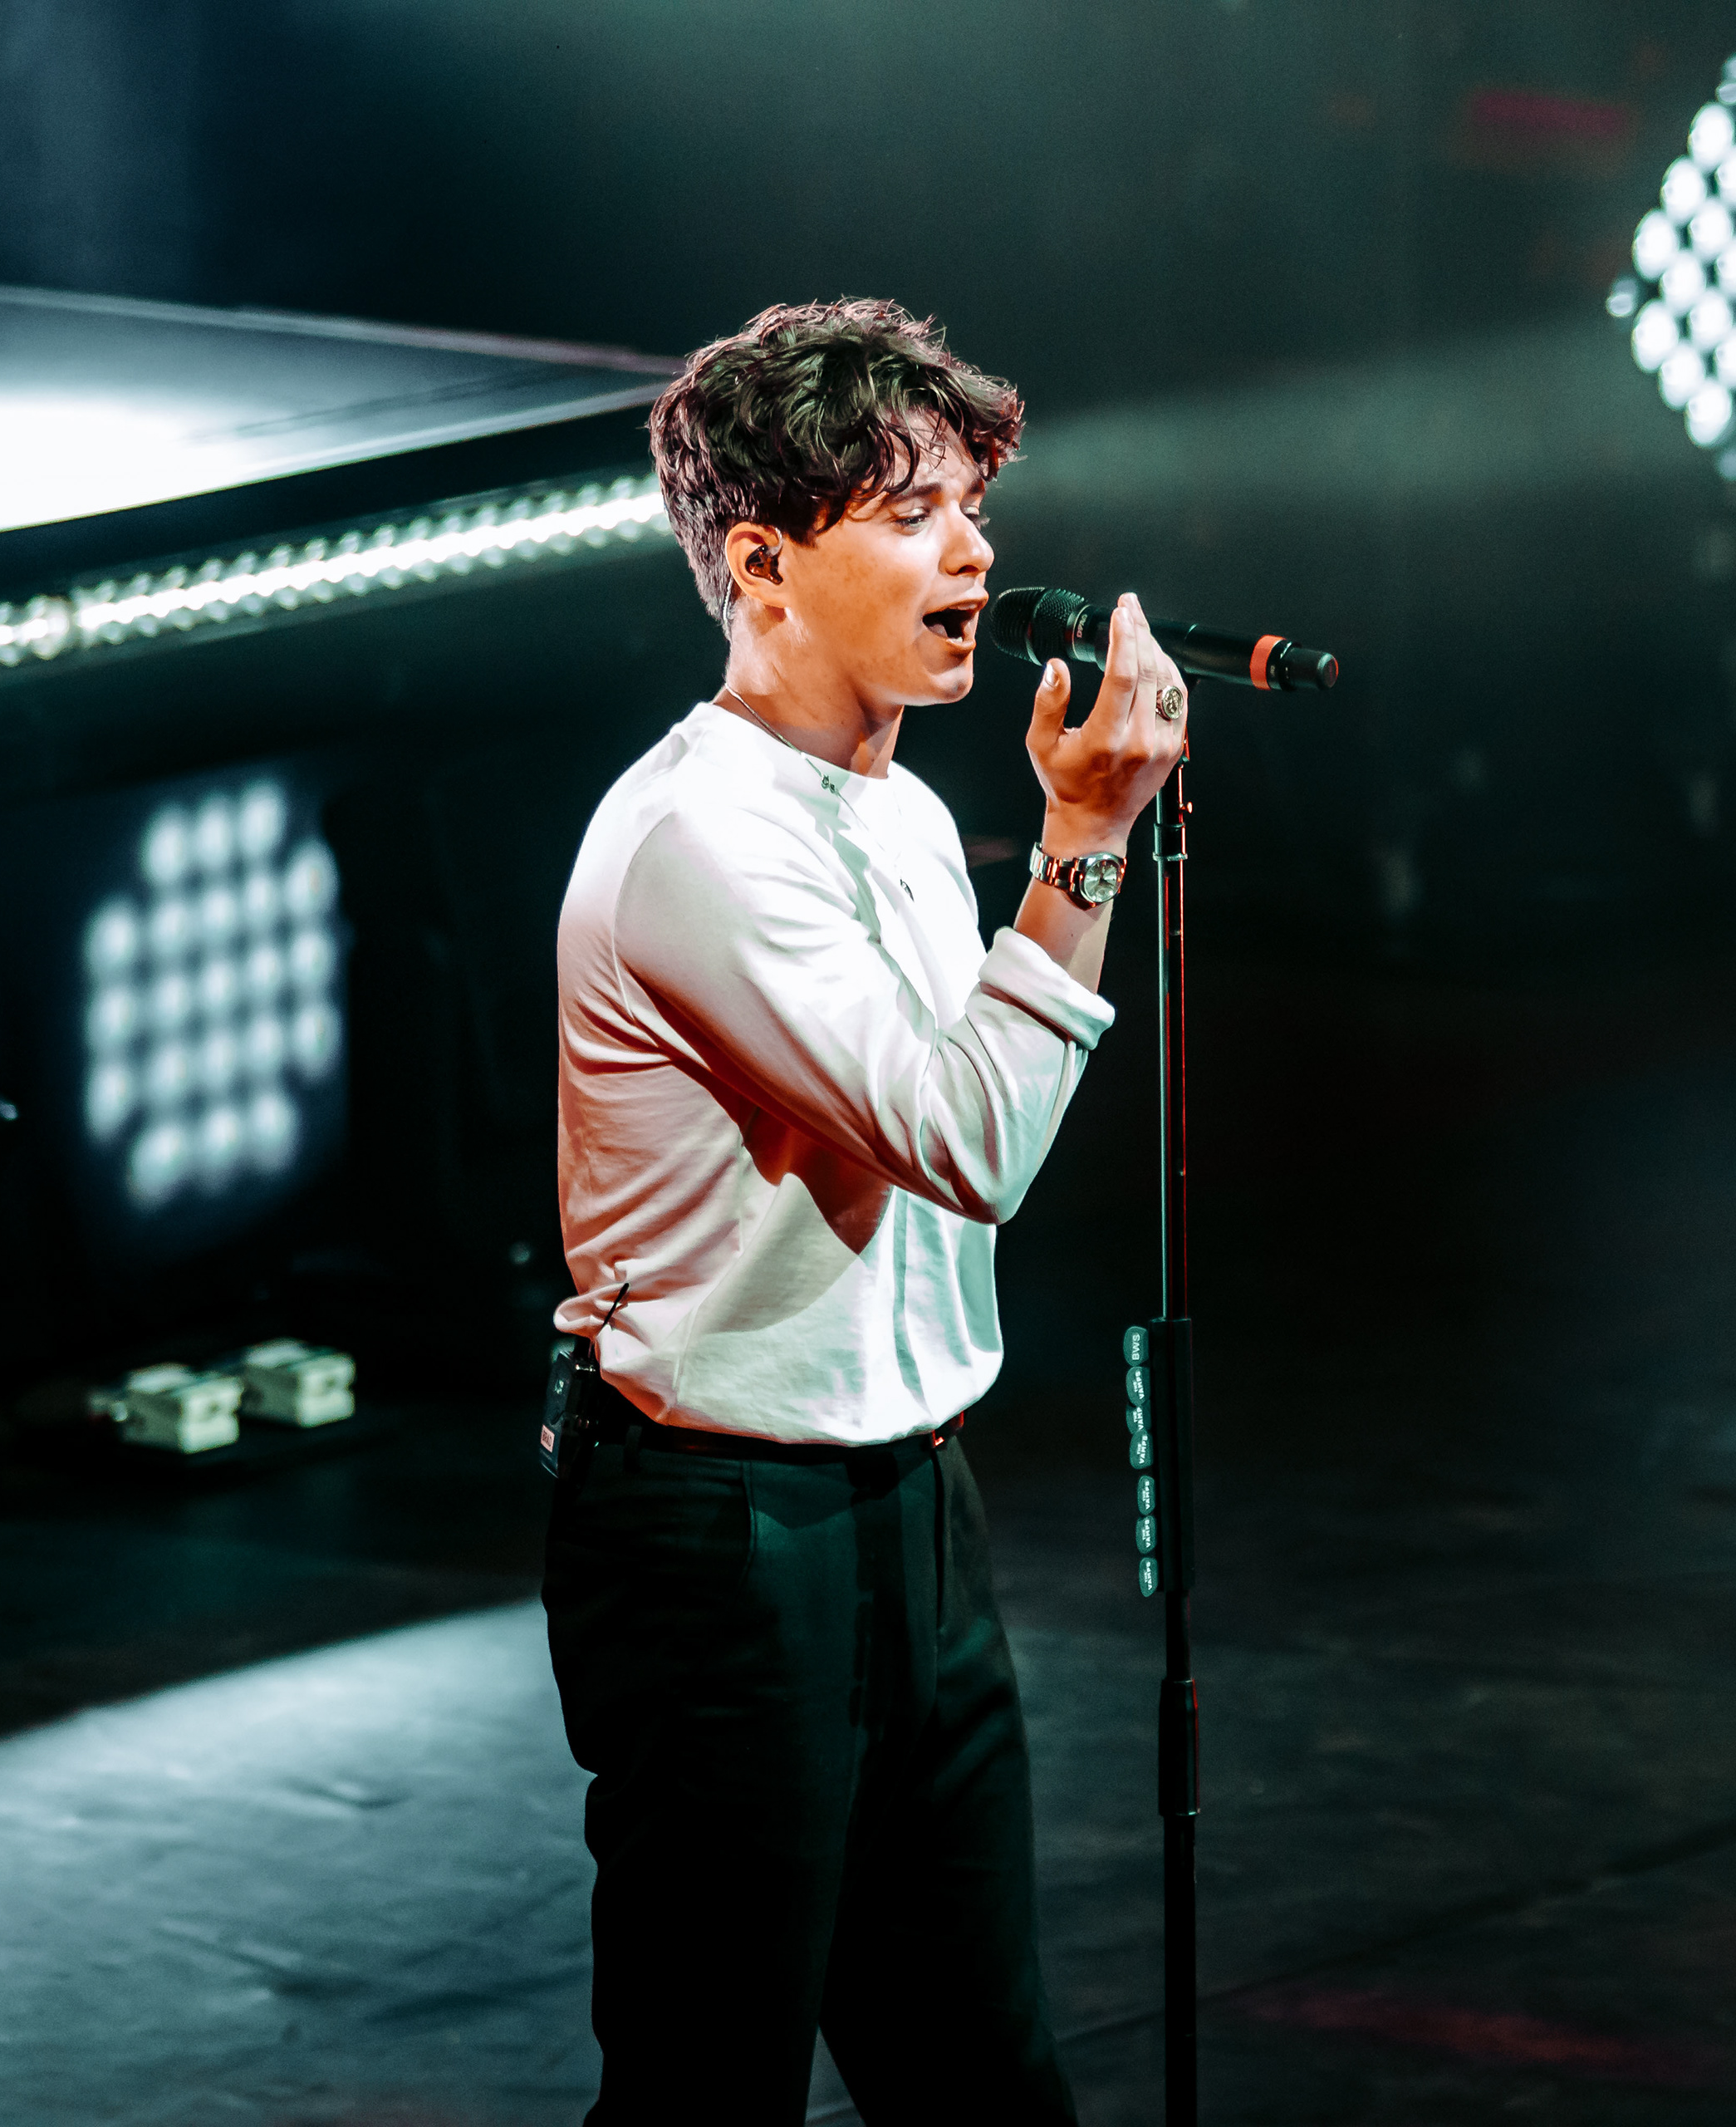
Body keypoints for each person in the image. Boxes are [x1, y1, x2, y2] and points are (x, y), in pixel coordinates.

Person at [543, 297, 1189, 2124]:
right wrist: (1085, 846)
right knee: (707, 2090)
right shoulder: (700, 841)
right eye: (912, 513)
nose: (973, 551)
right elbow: (966, 1139)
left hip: (915, 1499)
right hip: (723, 1533)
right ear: (760, 562)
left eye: (974, 506)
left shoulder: (895, 810)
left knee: (983, 2080)